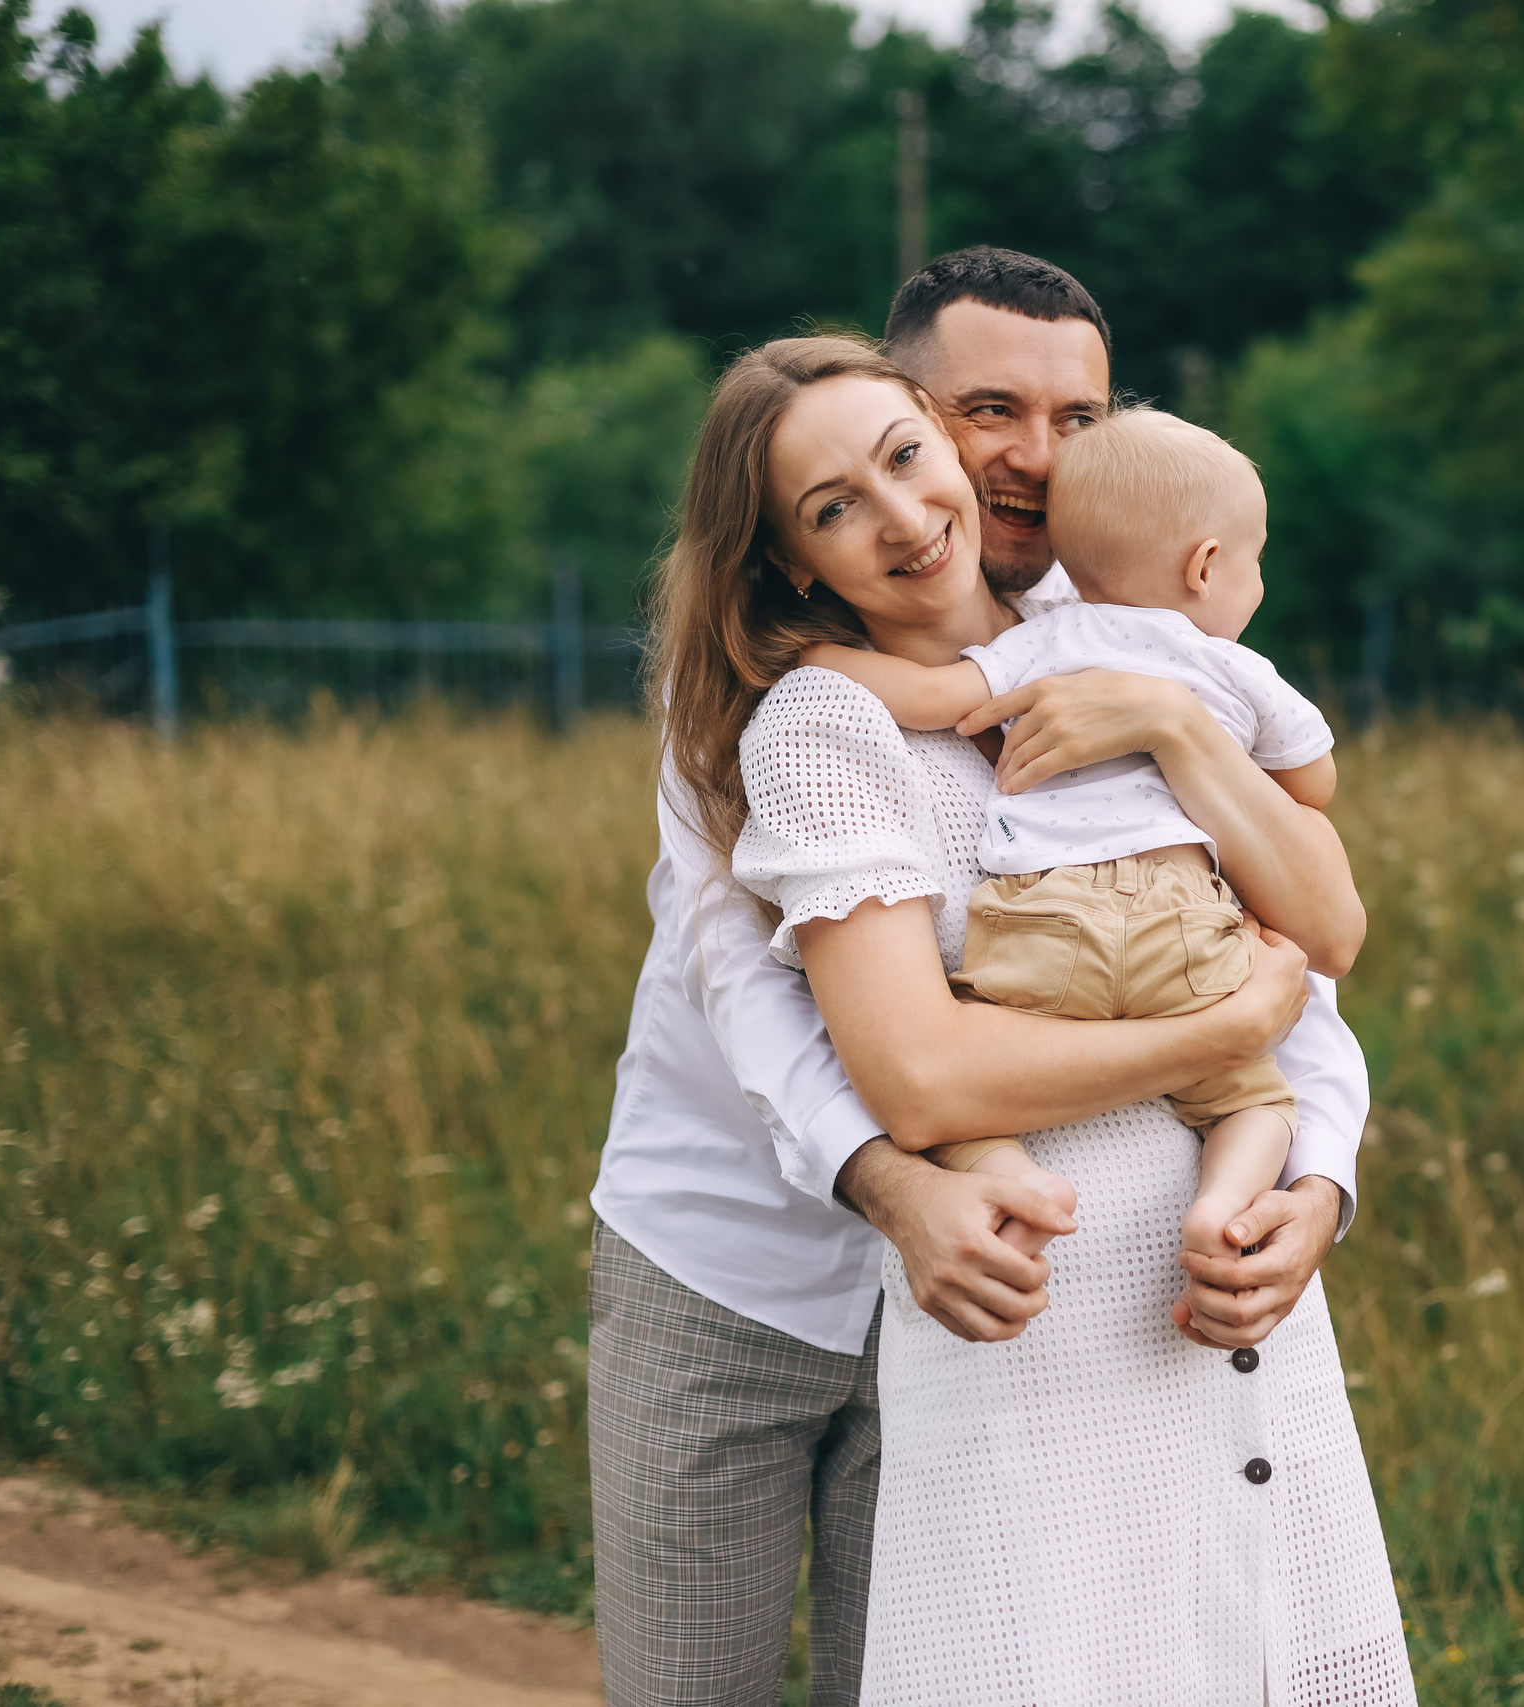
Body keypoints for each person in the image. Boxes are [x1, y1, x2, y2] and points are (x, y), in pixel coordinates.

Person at [583, 248, 1389, 1706]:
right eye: (989, 409)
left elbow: (1273, 942)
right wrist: (895, 1179)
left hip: (997, 1292)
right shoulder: (783, 706)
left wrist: (1314, 1169)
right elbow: (753, 992)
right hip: (743, 1256)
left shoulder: (1123, 625)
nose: (1033, 456)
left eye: (1079, 417)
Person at [788, 406, 1326, 1266]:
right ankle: (1222, 1206)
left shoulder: (1046, 639)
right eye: (1254, 562)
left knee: (967, 1055)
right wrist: (1210, 747)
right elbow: (1313, 785)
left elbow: (937, 701)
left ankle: (1006, 1174)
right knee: (1255, 1104)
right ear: (1206, 565)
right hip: (1179, 927)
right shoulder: (1235, 668)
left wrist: (812, 662)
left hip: (1038, 918)